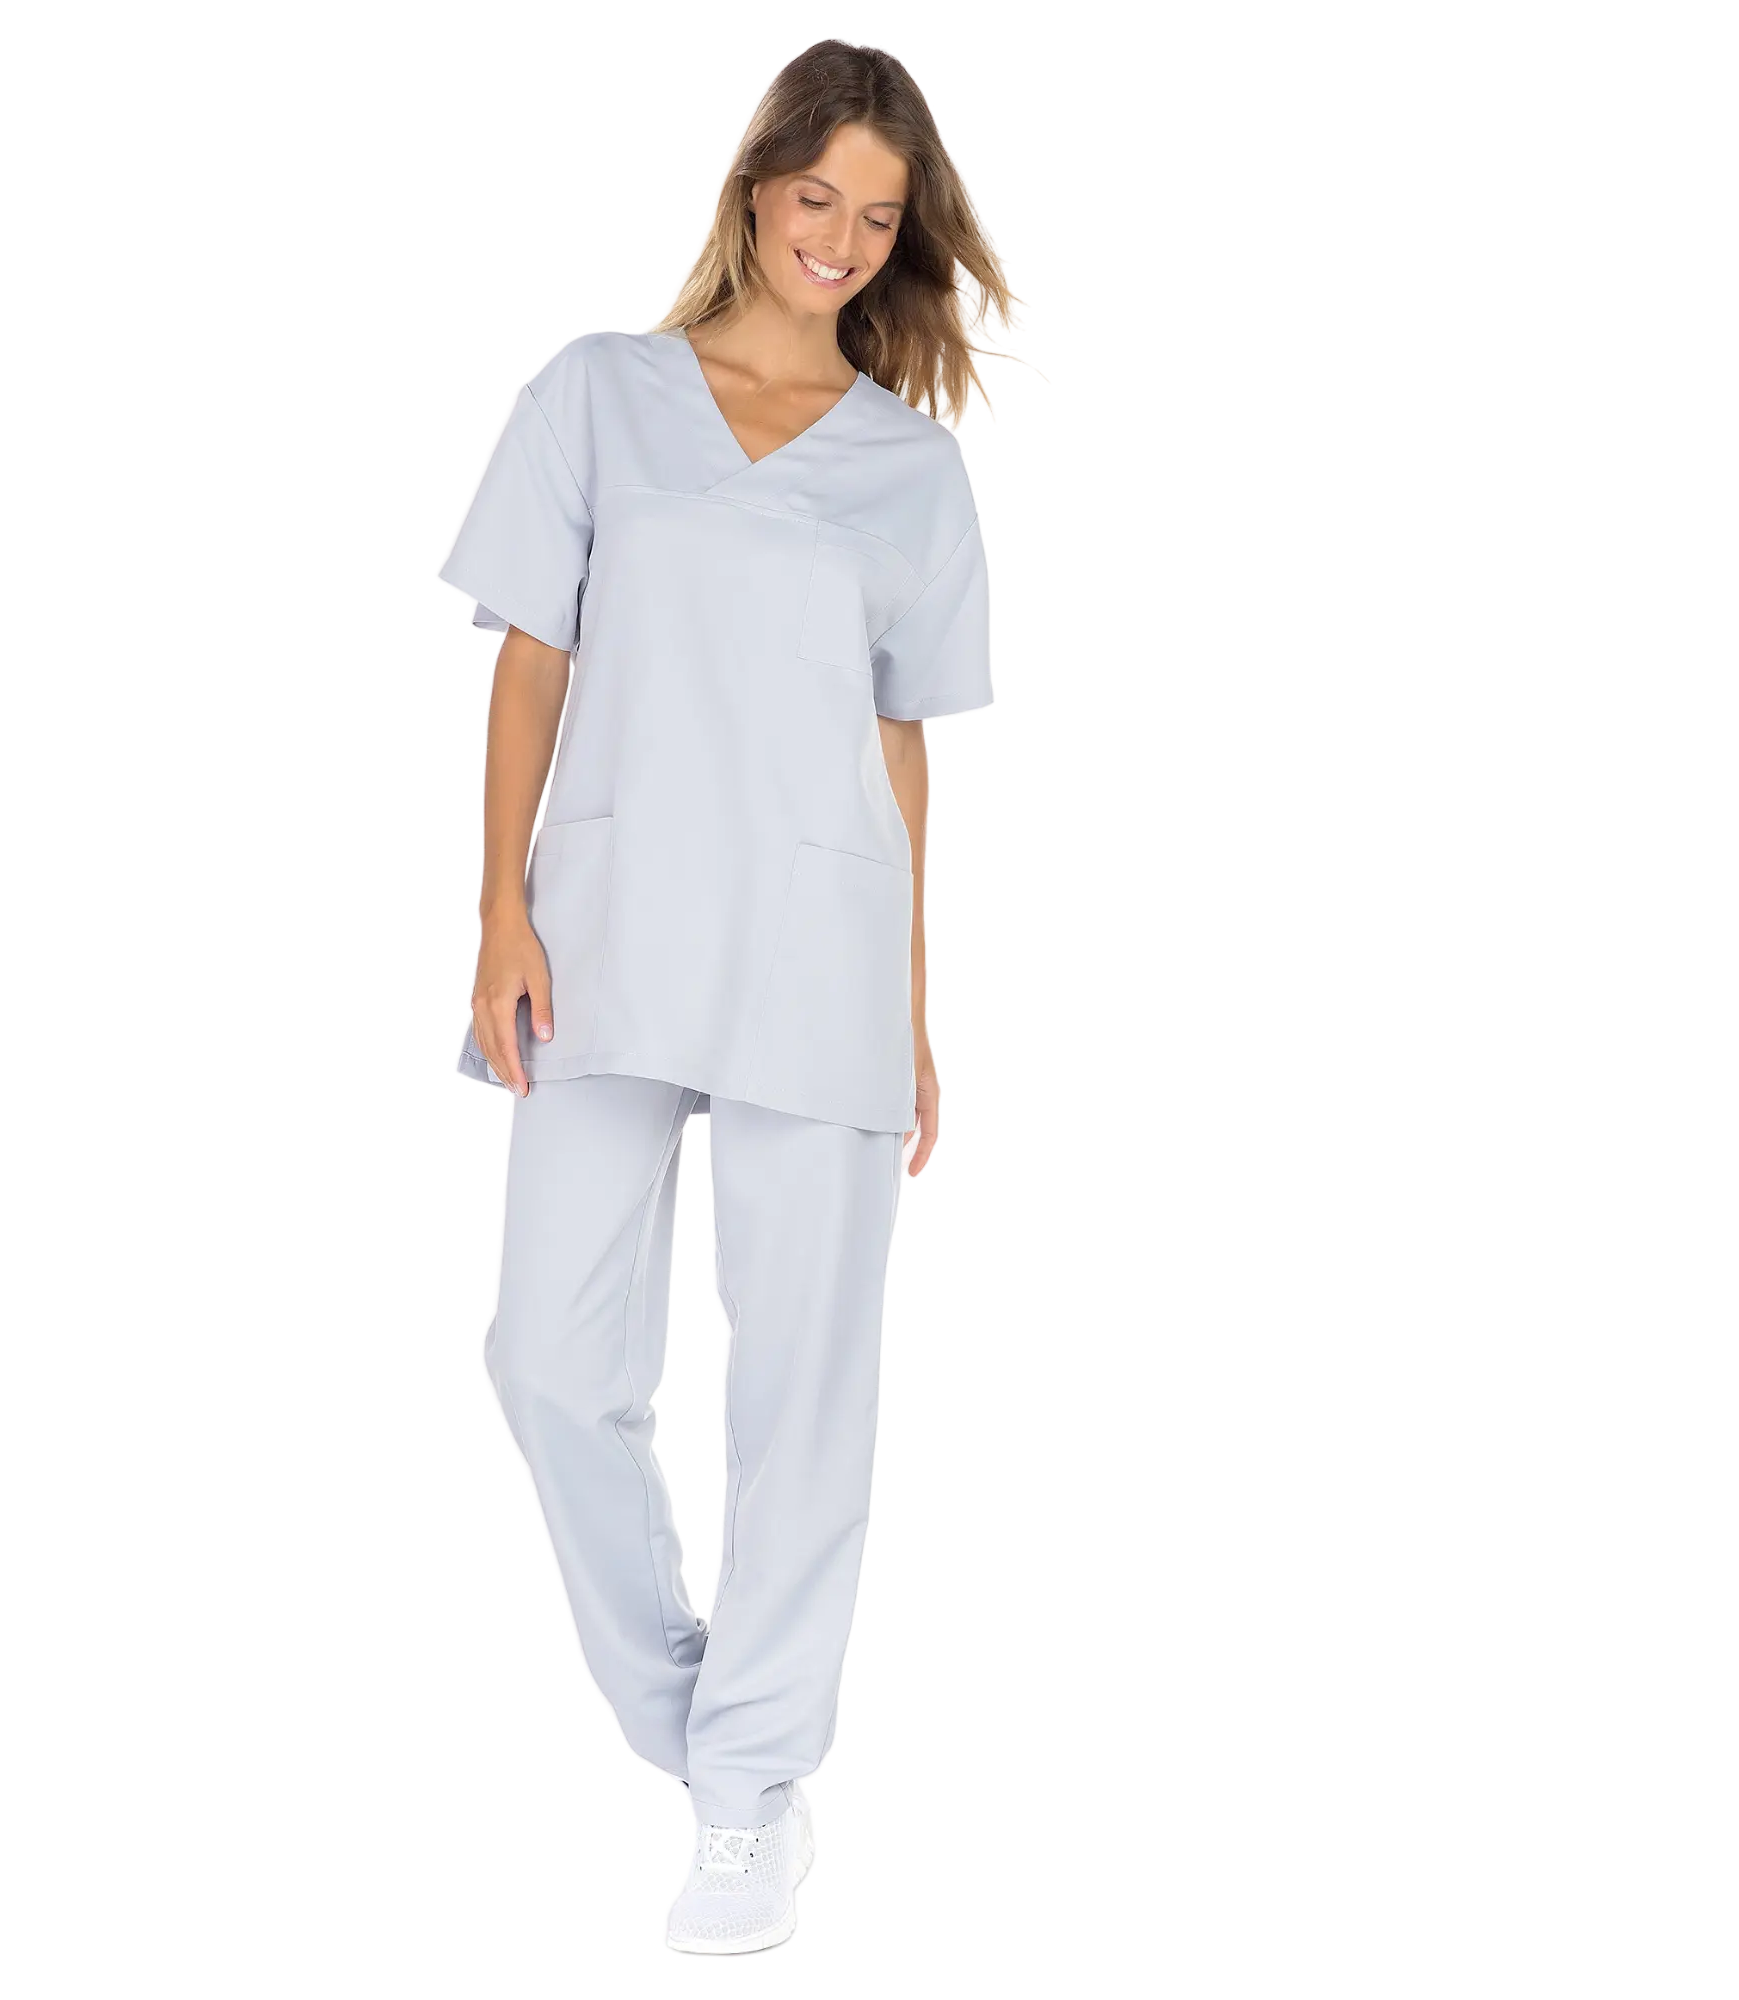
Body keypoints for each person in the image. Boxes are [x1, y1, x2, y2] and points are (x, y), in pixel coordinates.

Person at [434, 37, 1039, 1957]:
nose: (840, 241)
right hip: (605, 933)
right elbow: (529, 663)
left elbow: (904, 752)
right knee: (544, 1364)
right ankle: (709, 1739)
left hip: (822, 959)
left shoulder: (912, 468)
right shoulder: (593, 390)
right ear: (754, 188)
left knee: (801, 1398)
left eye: (877, 217)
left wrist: (919, 1017)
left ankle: (759, 1799)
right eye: (816, 200)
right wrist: (499, 914)